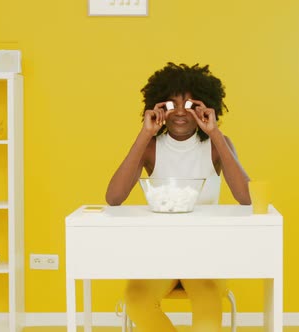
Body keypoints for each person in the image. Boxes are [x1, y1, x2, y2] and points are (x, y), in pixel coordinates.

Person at [105, 62, 251, 332]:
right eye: (172, 105)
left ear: (205, 107)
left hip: (205, 255)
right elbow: (114, 197)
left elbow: (246, 197)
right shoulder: (150, 147)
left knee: (207, 305)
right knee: (137, 299)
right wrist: (145, 133)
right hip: (160, 254)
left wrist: (214, 133)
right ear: (159, 108)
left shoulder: (217, 145)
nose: (181, 112)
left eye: (190, 104)